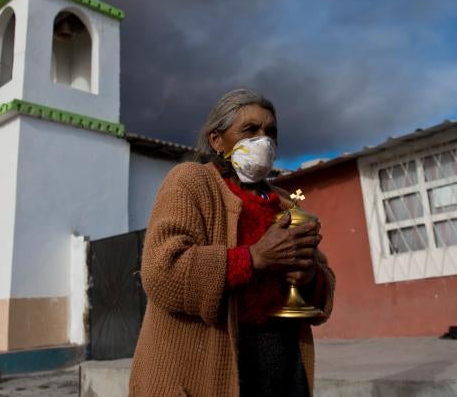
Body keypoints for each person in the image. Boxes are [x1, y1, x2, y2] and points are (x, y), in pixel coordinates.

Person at [129, 89, 335, 396]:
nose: (263, 140)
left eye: (270, 132)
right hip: (205, 365)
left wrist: (308, 279)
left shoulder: (284, 203)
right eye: (250, 130)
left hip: (283, 365)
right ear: (216, 140)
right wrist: (253, 258)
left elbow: (322, 286)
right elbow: (162, 271)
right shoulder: (190, 181)